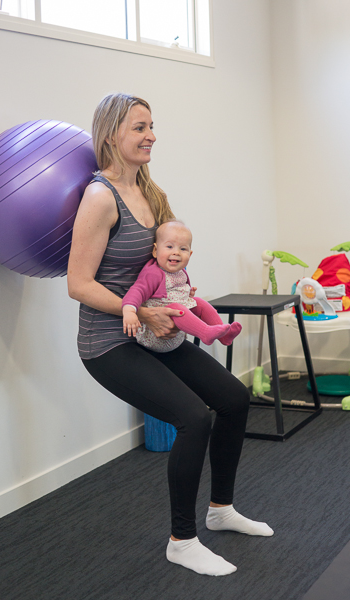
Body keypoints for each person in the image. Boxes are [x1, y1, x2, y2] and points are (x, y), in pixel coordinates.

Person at [67, 92, 273, 578]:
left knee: (233, 398)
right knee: (192, 418)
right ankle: (182, 540)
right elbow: (78, 283)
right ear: (112, 134)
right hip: (111, 341)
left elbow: (163, 256)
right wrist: (140, 311)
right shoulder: (100, 197)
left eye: (152, 125)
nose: (151, 135)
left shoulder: (152, 192)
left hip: (158, 331)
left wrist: (176, 287)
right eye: (139, 127)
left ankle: (220, 510)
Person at [122, 219, 242, 351]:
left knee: (198, 302)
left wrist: (186, 294)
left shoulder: (180, 272)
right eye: (169, 247)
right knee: (176, 307)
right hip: (155, 334)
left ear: (190, 255)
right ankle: (205, 333)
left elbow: (172, 292)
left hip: (175, 336)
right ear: (155, 250)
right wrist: (129, 311)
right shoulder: (153, 273)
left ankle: (225, 335)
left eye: (183, 248)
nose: (176, 252)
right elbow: (137, 291)